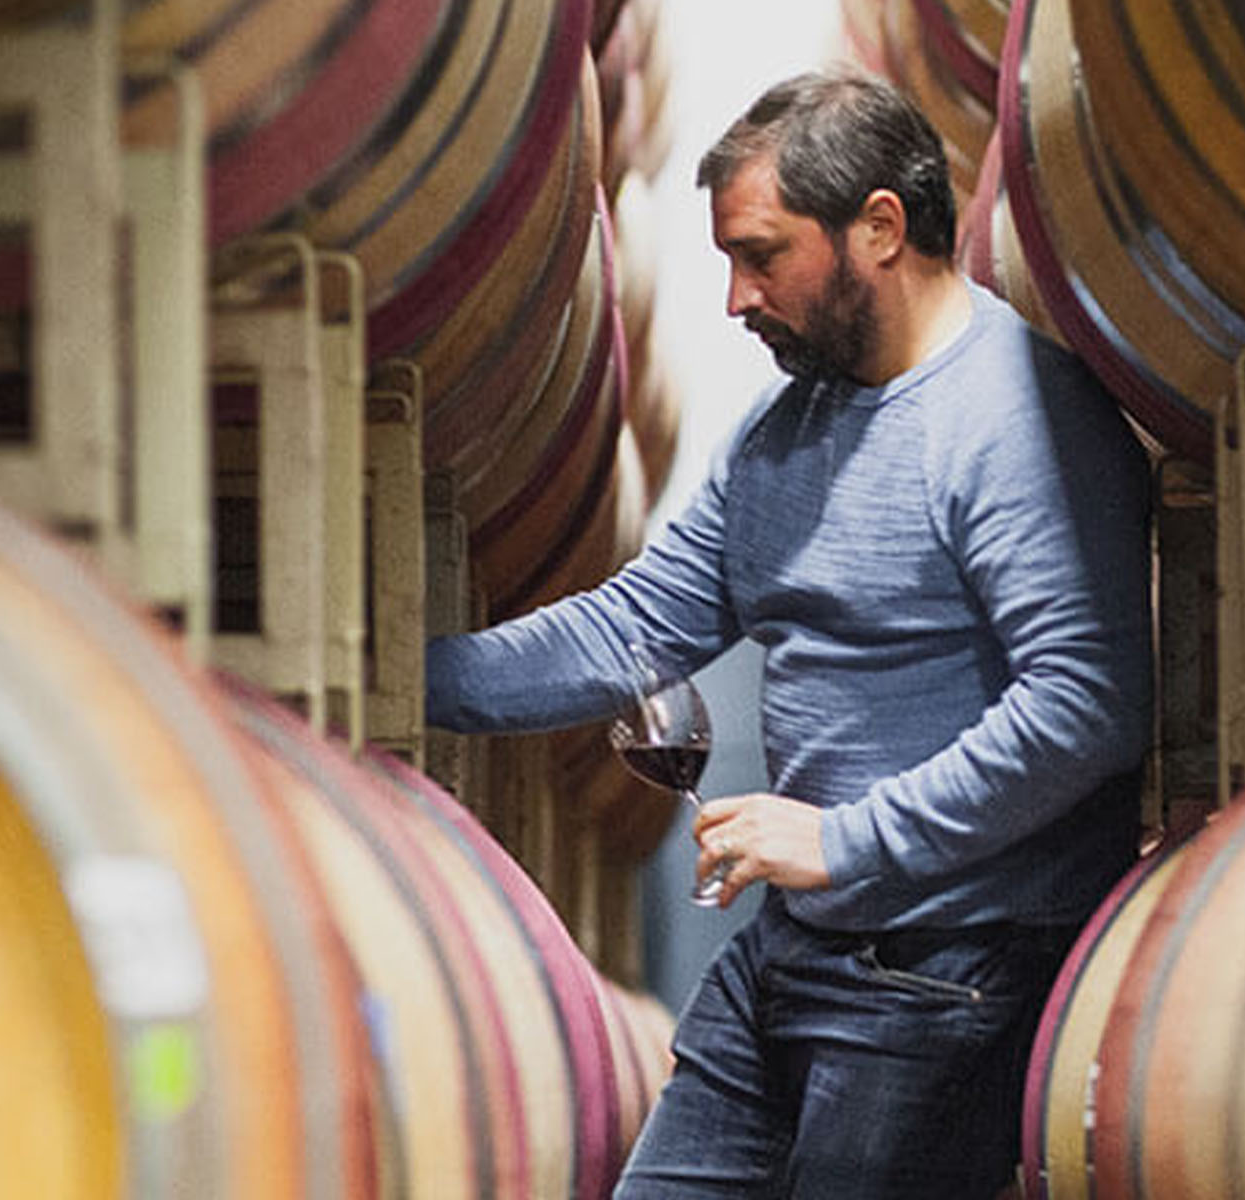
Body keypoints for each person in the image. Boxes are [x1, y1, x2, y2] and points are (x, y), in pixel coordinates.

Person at [426, 67, 1153, 1199]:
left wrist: (847, 841)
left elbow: (1086, 704)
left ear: (879, 227)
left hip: (950, 970)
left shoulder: (1015, 420)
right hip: (797, 951)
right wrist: (393, 681)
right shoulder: (784, 436)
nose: (735, 298)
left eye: (762, 255)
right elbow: (632, 630)